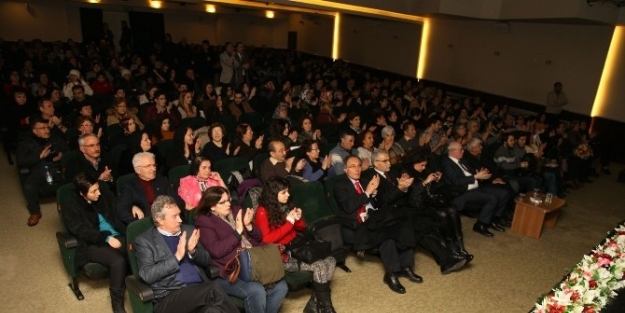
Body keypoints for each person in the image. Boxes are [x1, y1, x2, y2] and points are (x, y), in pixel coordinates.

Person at [134, 195, 238, 313]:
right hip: (169, 296)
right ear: (160, 219)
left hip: (198, 290)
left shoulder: (188, 230)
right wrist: (177, 257)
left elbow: (206, 260)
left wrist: (193, 251)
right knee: (213, 288)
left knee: (212, 310)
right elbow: (147, 274)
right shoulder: (145, 241)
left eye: (179, 214)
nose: (180, 220)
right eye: (174, 216)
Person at [333, 155, 420, 294]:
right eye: (352, 166)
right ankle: (392, 274)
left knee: (402, 224)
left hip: (376, 218)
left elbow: (382, 203)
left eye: (359, 166)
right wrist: (368, 192)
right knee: (391, 230)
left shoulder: (366, 180)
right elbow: (348, 207)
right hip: (360, 223)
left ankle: (405, 267)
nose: (357, 169)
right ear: (345, 169)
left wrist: (375, 194)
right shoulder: (339, 185)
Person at [195, 186, 288, 313]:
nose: (228, 204)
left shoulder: (236, 210)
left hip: (255, 262)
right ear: (212, 206)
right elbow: (216, 251)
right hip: (230, 270)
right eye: (223, 202)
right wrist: (237, 233)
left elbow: (259, 237)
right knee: (256, 290)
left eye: (228, 200)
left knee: (281, 287)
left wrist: (249, 226)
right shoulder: (205, 221)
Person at [255, 177, 337, 312]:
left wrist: (297, 219)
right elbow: (267, 239)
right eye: (283, 192)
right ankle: (327, 308)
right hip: (282, 256)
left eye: (288, 191)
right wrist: (289, 223)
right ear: (273, 194)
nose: (288, 195)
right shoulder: (262, 211)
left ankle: (314, 304)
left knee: (331, 260)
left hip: (298, 248)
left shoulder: (285, 205)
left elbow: (301, 227)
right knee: (320, 266)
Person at [62, 173, 127, 313]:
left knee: (136, 248)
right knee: (118, 261)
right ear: (82, 193)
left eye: (98, 189)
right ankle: (116, 302)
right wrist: (106, 238)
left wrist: (133, 207)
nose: (98, 193)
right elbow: (82, 231)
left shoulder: (102, 196)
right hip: (91, 243)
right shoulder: (71, 207)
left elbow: (119, 205)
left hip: (115, 234)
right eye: (93, 191)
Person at [402, 153, 474, 264]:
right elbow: (412, 195)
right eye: (422, 165)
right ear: (414, 164)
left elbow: (435, 190)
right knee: (443, 214)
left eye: (425, 165)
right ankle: (452, 247)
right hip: (418, 205)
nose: (424, 167)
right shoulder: (407, 174)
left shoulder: (425, 171)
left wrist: (437, 180)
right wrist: (426, 181)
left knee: (452, 210)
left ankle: (459, 244)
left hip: (431, 201)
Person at [440, 142, 508, 237]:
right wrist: (476, 176)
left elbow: (472, 173)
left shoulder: (462, 160)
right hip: (462, 192)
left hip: (475, 186)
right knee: (492, 199)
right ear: (452, 151)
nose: (463, 151)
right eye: (460, 150)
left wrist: (481, 175)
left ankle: (494, 219)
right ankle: (481, 224)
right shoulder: (446, 163)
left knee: (504, 193)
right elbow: (456, 181)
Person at [16, 117, 69, 226]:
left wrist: (62, 156)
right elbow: (21, 161)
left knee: (75, 178)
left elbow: (67, 150)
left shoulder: (55, 138)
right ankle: (35, 212)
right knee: (29, 186)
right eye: (42, 128)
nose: (47, 130)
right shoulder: (26, 143)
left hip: (58, 167)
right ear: (34, 131)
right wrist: (39, 156)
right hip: (40, 169)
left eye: (47, 127)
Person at [115, 152, 183, 225]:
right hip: (145, 226)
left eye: (154, 165)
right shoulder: (129, 186)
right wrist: (139, 222)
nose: (153, 169)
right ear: (138, 170)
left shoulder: (162, 180)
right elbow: (120, 210)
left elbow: (178, 202)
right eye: (148, 166)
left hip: (168, 222)